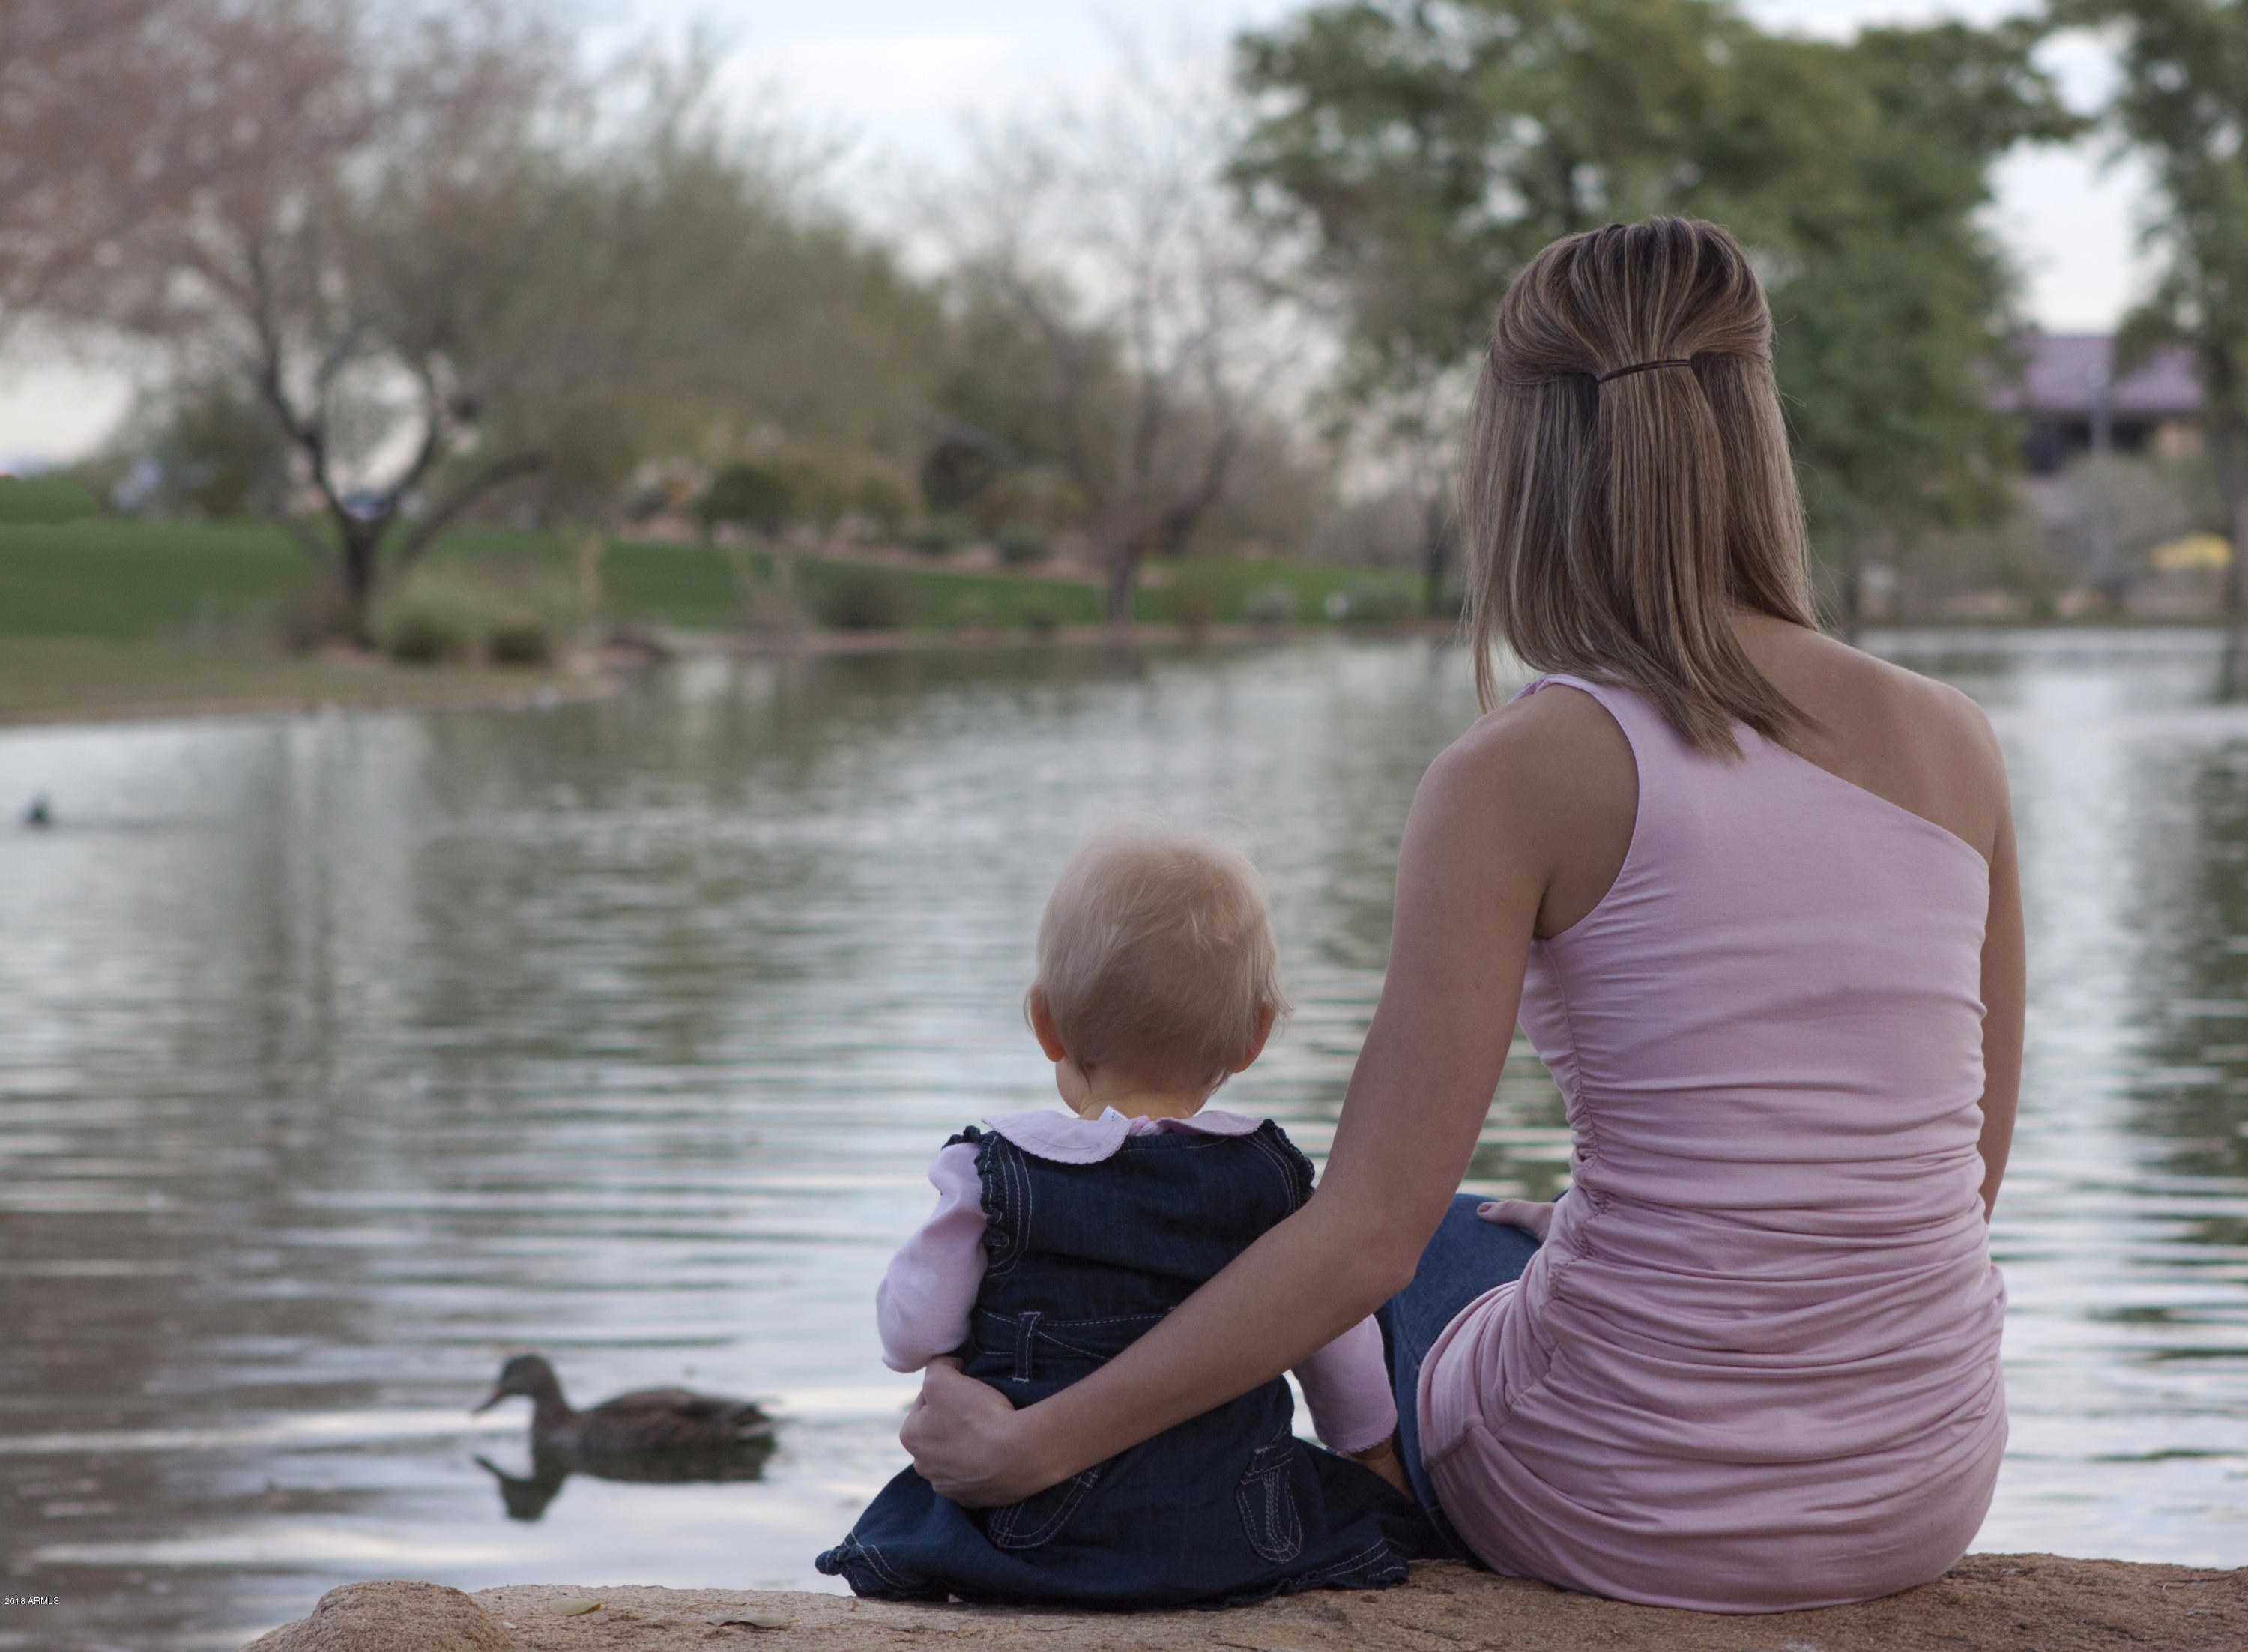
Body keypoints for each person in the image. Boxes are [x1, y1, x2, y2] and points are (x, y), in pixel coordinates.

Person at [895, 217, 2024, 1614]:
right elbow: (1955, 1176)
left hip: (1626, 1500)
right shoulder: (1957, 741)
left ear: (1520, 461)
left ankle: (1313, 1501)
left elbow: (1368, 1237)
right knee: (1497, 1229)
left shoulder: (1519, 774)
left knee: (1378, 1233)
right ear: (1755, 433)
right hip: (1918, 1487)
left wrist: (1028, 1448)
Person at [817, 826, 1434, 1607]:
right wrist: (1373, 1459)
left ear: (1046, 1024)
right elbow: (1338, 1350)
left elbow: (909, 1335)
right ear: (1255, 1037)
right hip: (1239, 1530)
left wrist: (944, 1360)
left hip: (1033, 1532)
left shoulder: (989, 1174)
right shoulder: (1271, 1181)